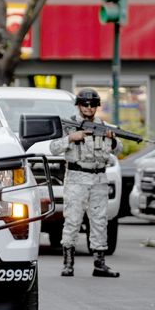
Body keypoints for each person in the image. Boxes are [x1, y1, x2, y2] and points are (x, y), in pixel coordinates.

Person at [50, 88, 121, 278]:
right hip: (76, 178)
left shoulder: (104, 126)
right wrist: (70, 138)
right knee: (72, 220)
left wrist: (112, 141)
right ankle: (68, 263)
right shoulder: (70, 125)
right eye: (85, 104)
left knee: (99, 221)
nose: (88, 108)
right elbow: (53, 147)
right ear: (79, 105)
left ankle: (100, 263)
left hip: (99, 178)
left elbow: (118, 149)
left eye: (92, 105)